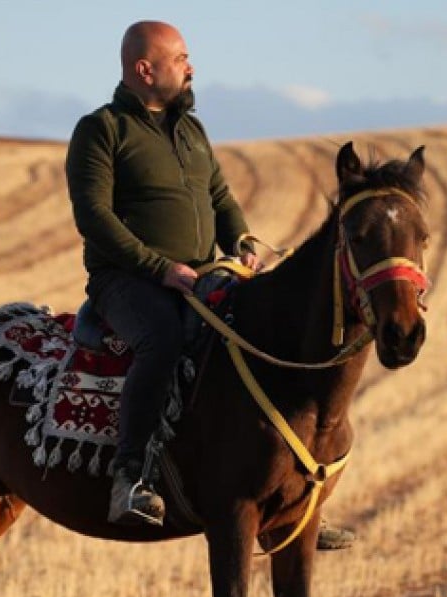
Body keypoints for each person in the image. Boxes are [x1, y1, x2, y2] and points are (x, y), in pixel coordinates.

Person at [65, 21, 356, 549]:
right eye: (180, 59)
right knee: (161, 341)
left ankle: (288, 500)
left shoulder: (191, 132)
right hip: (126, 280)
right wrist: (158, 268)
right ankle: (131, 478)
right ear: (144, 69)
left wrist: (239, 238)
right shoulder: (101, 130)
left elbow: (219, 197)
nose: (191, 67)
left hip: (199, 276)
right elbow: (94, 217)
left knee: (260, 336)